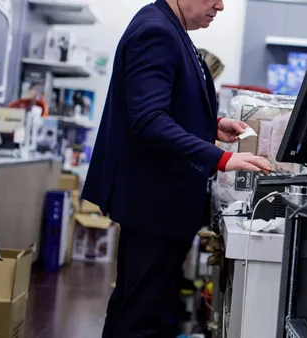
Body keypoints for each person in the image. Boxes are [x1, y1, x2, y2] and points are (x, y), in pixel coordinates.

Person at [81, 0, 273, 336]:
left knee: (135, 304)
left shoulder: (168, 28)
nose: (221, 6)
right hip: (154, 201)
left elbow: (165, 107)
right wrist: (223, 158)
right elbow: (149, 121)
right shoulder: (156, 31)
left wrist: (211, 125)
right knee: (140, 314)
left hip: (156, 201)